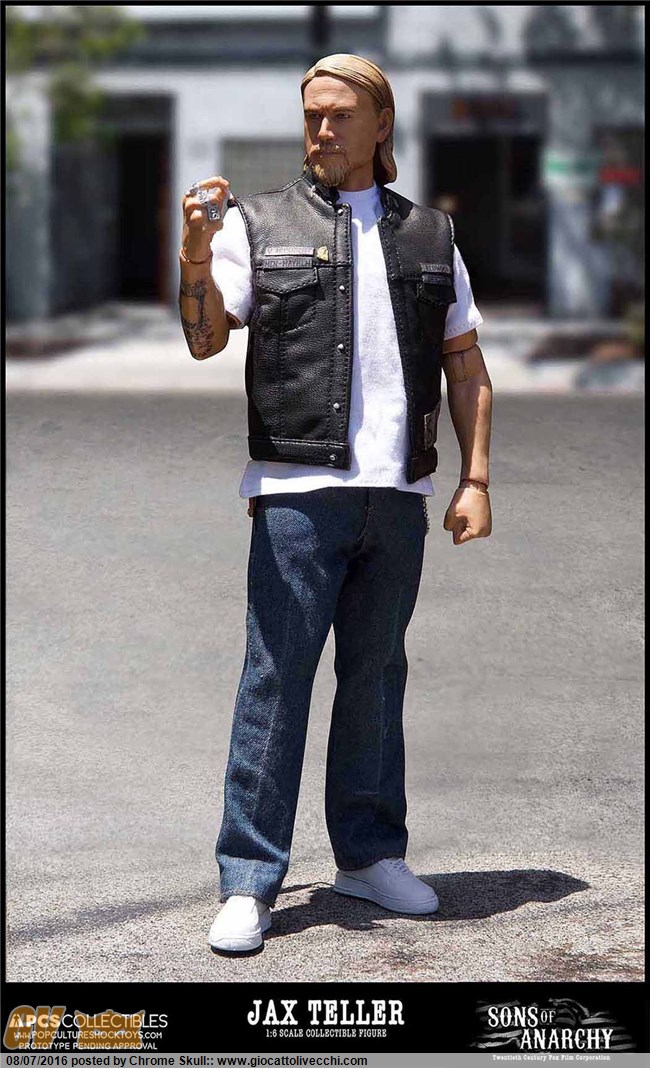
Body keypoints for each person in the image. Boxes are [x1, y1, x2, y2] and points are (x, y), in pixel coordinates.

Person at [179, 54, 493, 954]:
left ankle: (369, 855)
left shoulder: (430, 234)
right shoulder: (260, 222)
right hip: (297, 494)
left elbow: (466, 365)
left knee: (377, 678)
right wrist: (196, 250)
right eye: (312, 114)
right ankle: (249, 880)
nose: (321, 130)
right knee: (275, 682)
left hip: (396, 496)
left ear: (380, 124)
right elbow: (205, 338)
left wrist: (475, 478)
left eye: (339, 115)